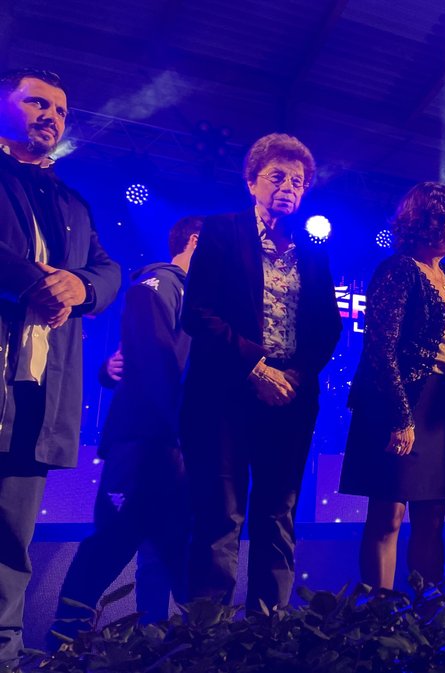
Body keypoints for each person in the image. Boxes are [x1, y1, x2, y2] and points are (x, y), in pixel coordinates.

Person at [180, 133, 342, 610]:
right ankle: (206, 637)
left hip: (290, 401)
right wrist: (255, 367)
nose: (288, 188)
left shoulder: (313, 250)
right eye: (277, 177)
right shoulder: (220, 231)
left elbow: (329, 326)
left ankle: (267, 633)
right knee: (221, 517)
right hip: (224, 397)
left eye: (298, 182)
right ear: (251, 182)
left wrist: (296, 375)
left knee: (277, 515)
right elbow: (199, 313)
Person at [0, 68, 121, 663]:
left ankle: (4, 655)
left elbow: (109, 270)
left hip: (39, 390)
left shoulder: (73, 201)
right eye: (36, 103)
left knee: (12, 539)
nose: (51, 116)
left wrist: (80, 286)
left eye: (61, 110)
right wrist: (35, 283)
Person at [51, 216, 201, 640]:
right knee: (117, 539)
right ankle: (65, 638)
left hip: (168, 440)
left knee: (171, 543)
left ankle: (163, 639)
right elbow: (153, 361)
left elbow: (143, 360)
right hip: (147, 442)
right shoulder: (160, 283)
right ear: (194, 241)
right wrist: (173, 429)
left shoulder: (192, 295)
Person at [339, 182, 445, 590]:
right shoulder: (398, 270)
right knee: (389, 514)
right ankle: (379, 613)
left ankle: (426, 614)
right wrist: (400, 417)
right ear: (435, 222)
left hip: (438, 407)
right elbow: (380, 349)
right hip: (396, 402)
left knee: (432, 518)